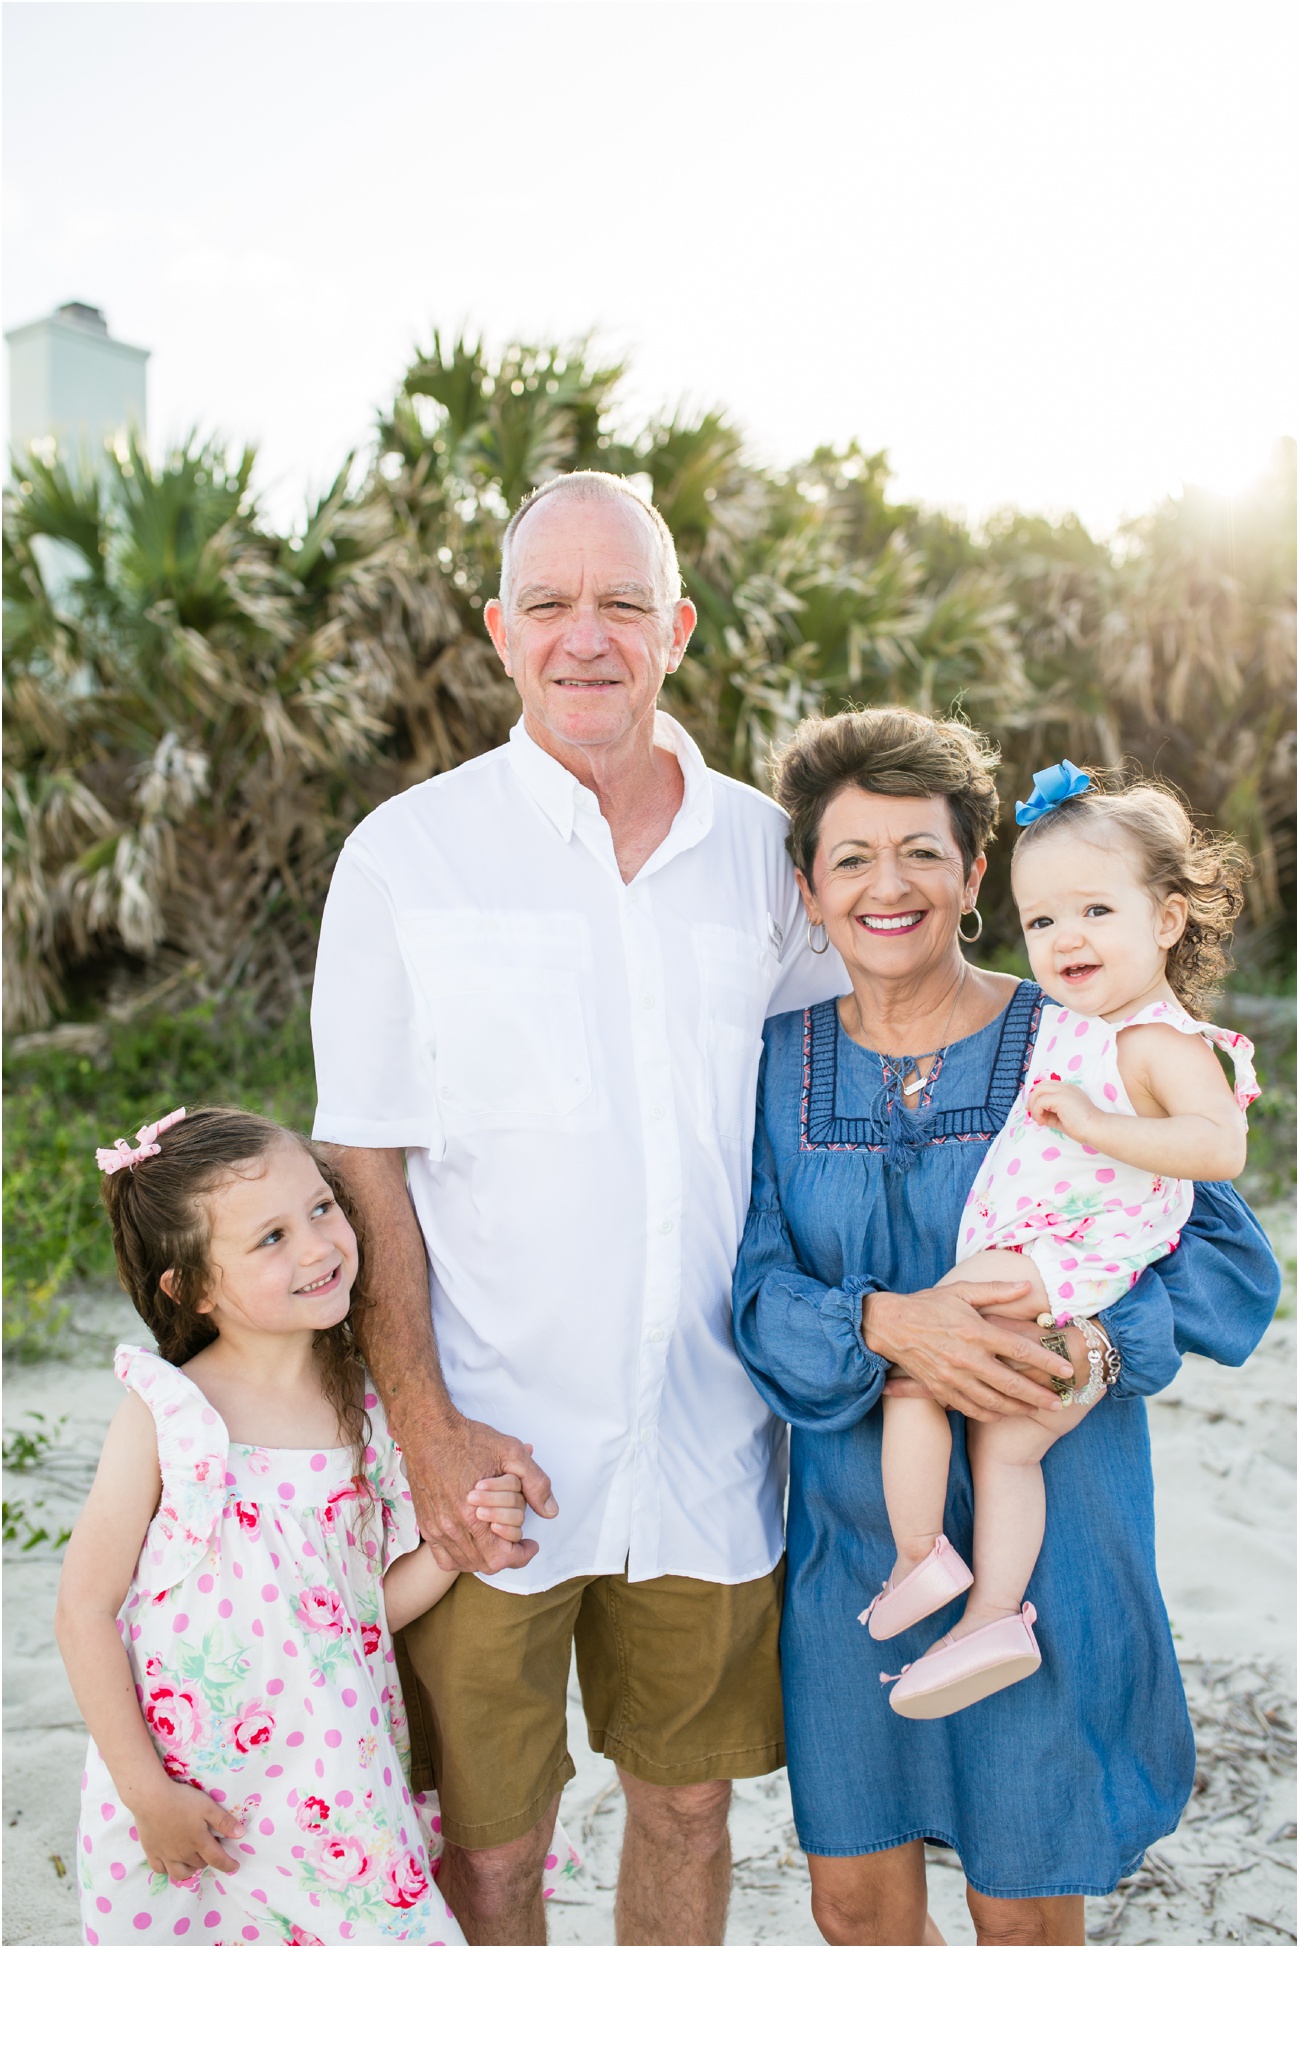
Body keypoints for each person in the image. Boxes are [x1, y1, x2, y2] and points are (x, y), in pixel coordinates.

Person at [309, 471, 844, 1945]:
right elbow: (366, 1162)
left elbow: (823, 1116)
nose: (584, 637)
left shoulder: (764, 854)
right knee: (489, 1851)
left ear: (675, 627)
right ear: (499, 632)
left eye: (619, 603)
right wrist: (424, 1431)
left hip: (711, 1445)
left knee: (686, 1809)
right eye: (549, 604)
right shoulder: (407, 858)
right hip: (494, 1452)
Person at [731, 707, 1280, 1945]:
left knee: (1025, 1915)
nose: (889, 884)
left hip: (1057, 1538)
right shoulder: (767, 1061)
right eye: (851, 856)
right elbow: (756, 1292)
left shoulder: (1085, 1033)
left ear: (974, 873)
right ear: (809, 890)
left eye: (922, 850)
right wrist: (887, 1323)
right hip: (856, 1549)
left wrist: (1092, 1343)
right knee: (857, 1909)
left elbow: (1225, 1266)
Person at [56, 1105, 561, 1947]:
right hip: (192, 1800)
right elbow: (82, 1612)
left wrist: (459, 1539)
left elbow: (359, 1611)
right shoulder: (169, 1414)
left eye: (321, 1208)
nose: (318, 1247)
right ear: (192, 1288)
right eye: (270, 1239)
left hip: (333, 1791)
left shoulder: (364, 1409)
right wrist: (146, 1793)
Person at [866, 763, 1259, 1719]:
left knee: (912, 1370)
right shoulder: (1070, 1024)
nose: (1063, 937)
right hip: (1045, 1261)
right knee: (1004, 1446)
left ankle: (923, 1557)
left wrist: (1094, 1125)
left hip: (1057, 1263)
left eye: (1093, 910)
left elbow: (1220, 1146)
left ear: (1164, 921)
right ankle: (993, 1611)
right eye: (1040, 921)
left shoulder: (1158, 1044)